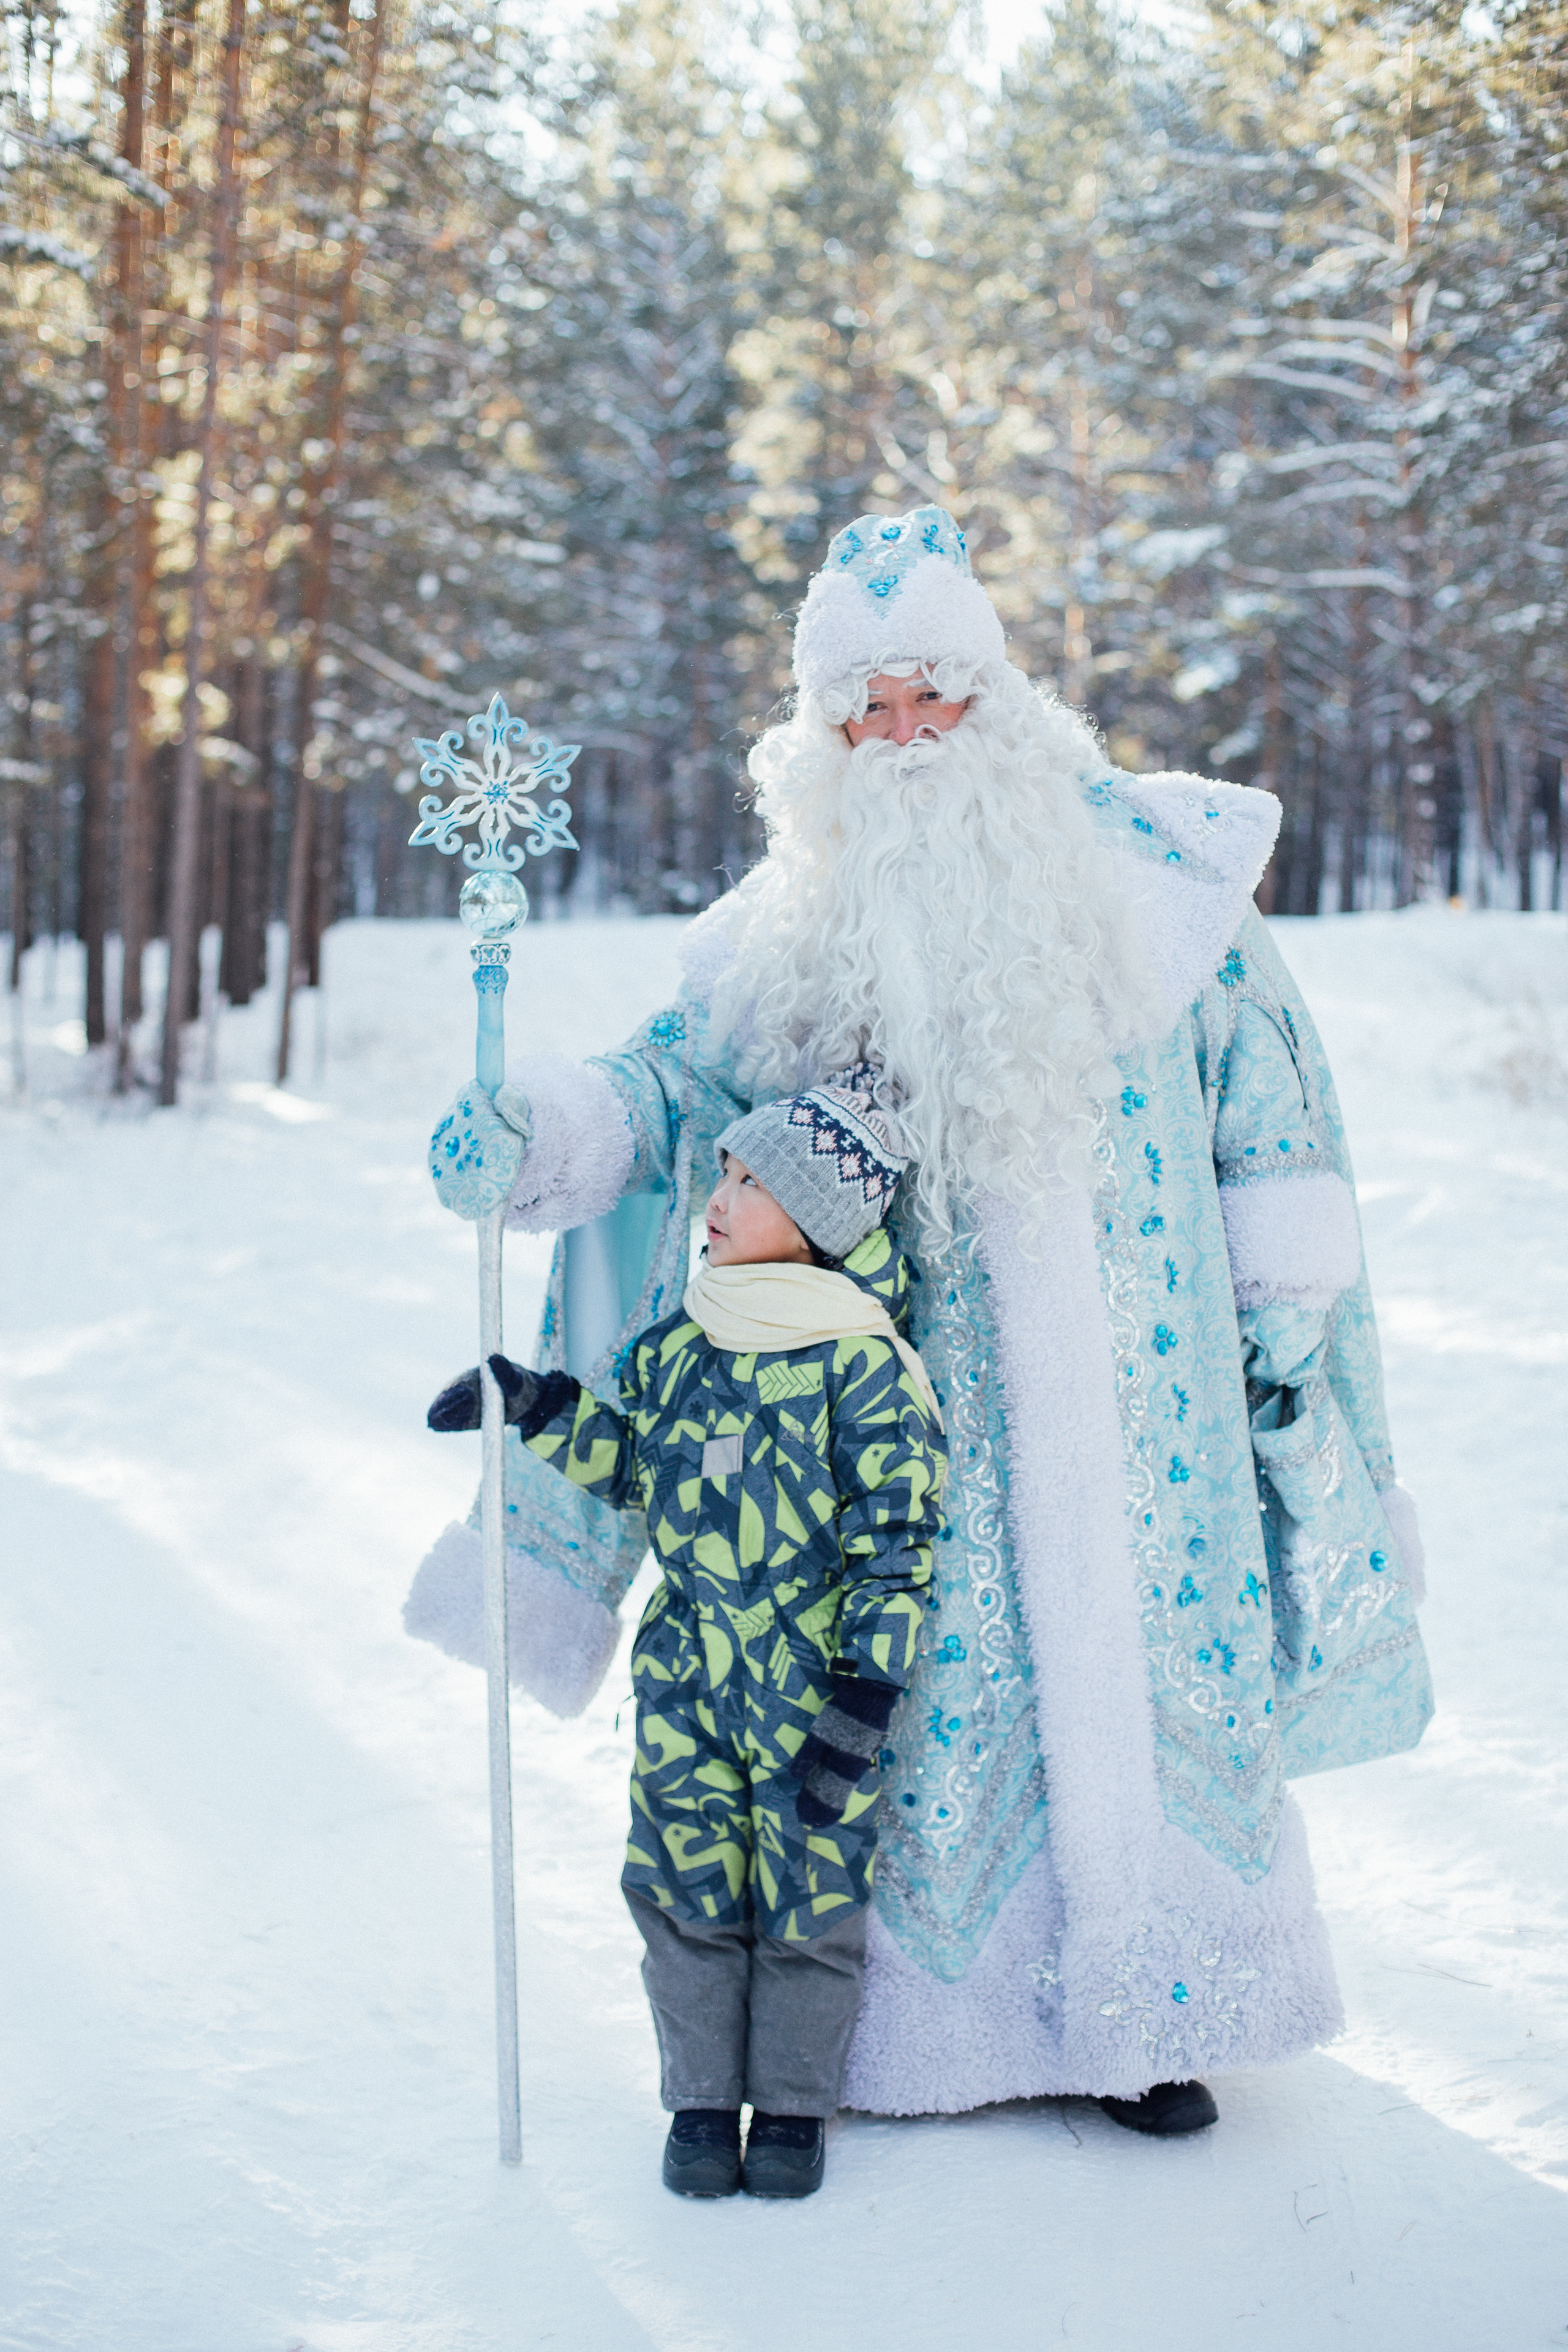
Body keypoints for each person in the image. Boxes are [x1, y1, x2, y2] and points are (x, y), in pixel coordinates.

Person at [409, 502, 1433, 2139]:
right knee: (928, 1708)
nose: (901, 736)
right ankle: (920, 2034)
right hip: (898, 1423)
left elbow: (1268, 1102)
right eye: (863, 708)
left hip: (1146, 1419)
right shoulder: (784, 932)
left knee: (1135, 1680)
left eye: (932, 695)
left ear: (995, 696)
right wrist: (547, 1130)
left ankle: (1152, 2018)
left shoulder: (1159, 890)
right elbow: (667, 1089)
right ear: (817, 735)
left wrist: (1284, 1307)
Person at [426, 1084, 946, 2198]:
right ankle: (702, 2105)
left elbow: (897, 1545)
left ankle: (793, 2111)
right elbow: (638, 1472)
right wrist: (538, 1405)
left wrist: (865, 1697)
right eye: (723, 1172)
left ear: (815, 1223)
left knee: (809, 1895)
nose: (718, 1197)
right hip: (689, 1676)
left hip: (814, 1692)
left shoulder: (863, 1366)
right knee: (680, 1881)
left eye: (752, 1183)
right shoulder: (679, 1348)